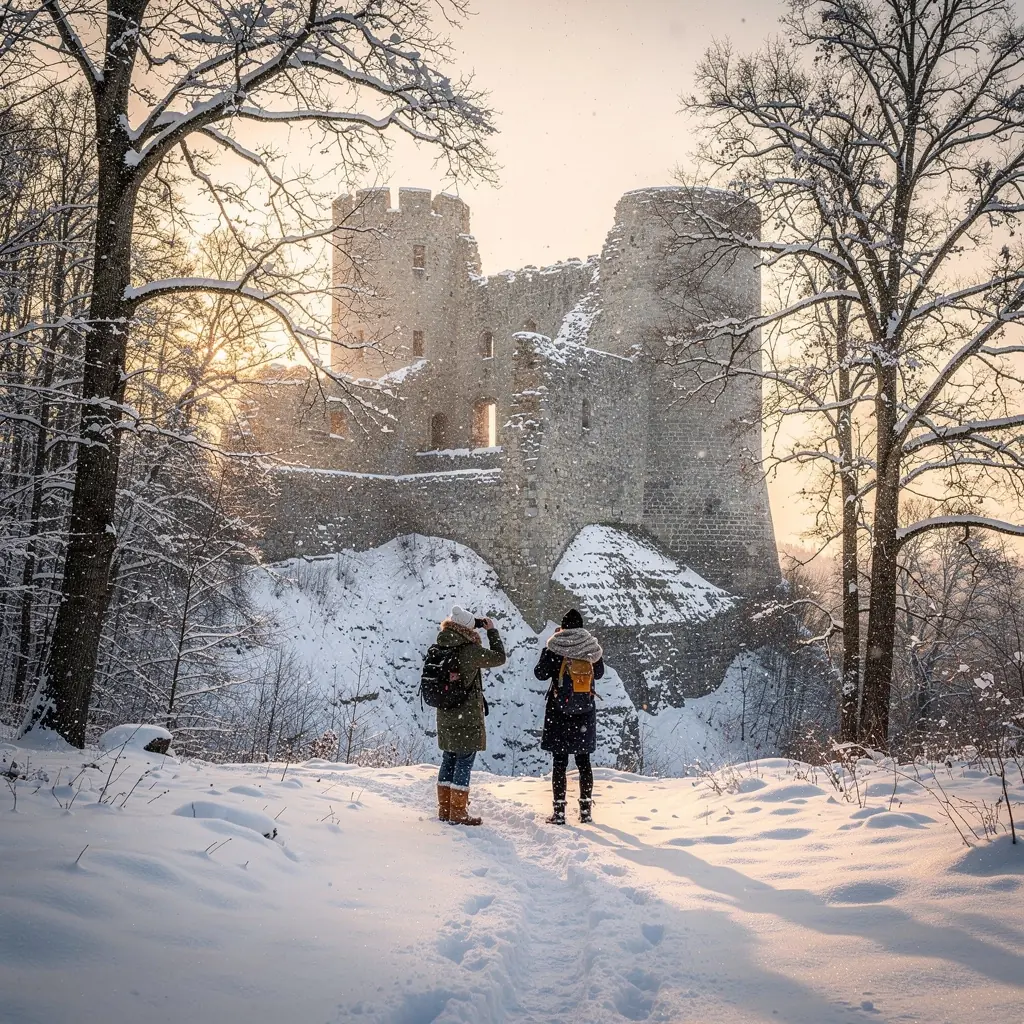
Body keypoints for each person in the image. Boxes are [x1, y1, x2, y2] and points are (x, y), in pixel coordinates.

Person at [434, 605, 506, 826]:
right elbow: (499, 657)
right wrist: (491, 630)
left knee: (449, 758)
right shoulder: (469, 651)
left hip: (446, 714)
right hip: (466, 716)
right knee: (464, 761)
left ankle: (445, 809)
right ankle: (458, 812)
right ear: (466, 629)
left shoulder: (440, 646)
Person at [534, 608, 604, 825]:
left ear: (563, 626)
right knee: (584, 762)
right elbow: (599, 673)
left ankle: (559, 812)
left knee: (560, 763)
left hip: (559, 712)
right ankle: (585, 811)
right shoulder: (591, 647)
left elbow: (539, 673)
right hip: (584, 712)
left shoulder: (555, 646)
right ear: (581, 626)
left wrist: (552, 646)